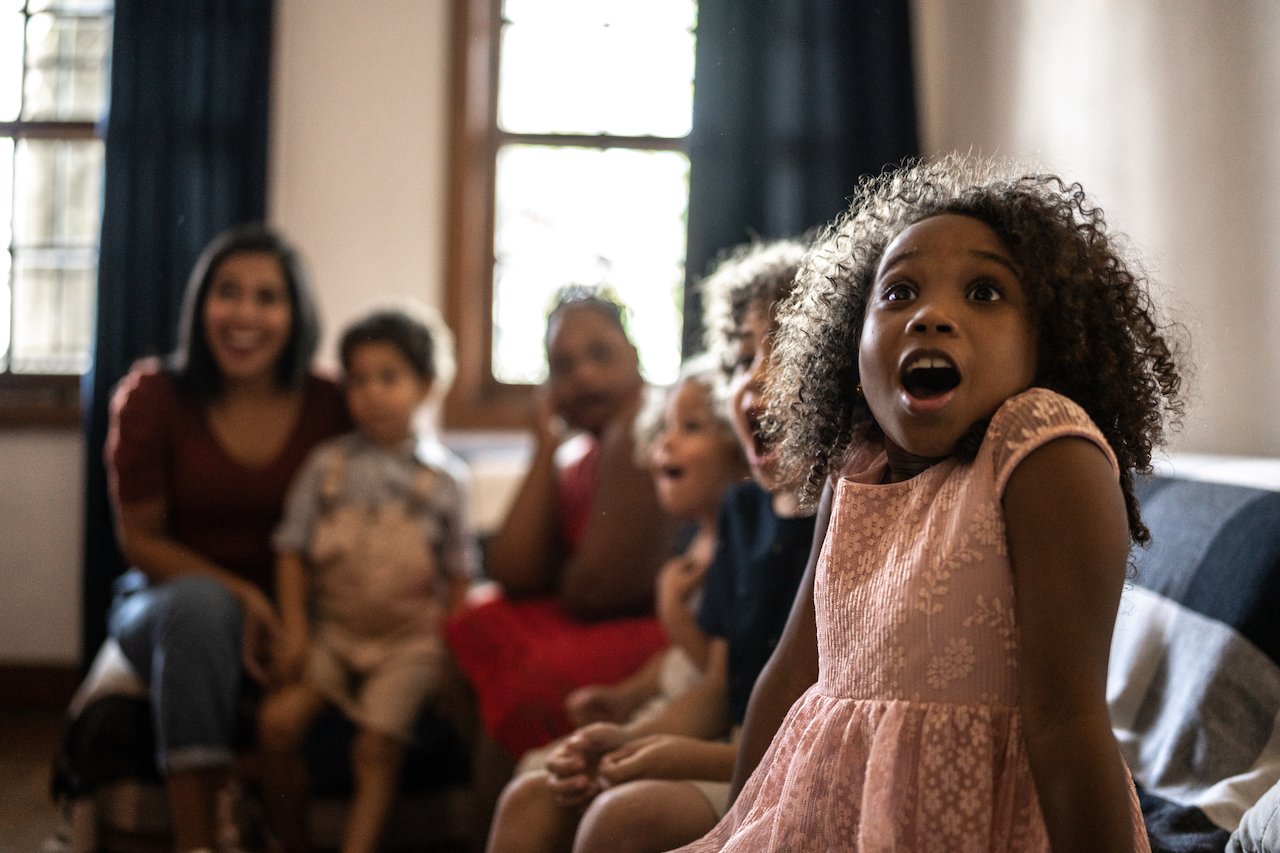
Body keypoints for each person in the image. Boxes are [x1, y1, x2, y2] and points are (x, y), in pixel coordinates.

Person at [673, 154, 1186, 852]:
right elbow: (792, 671)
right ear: (852, 349)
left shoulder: (1041, 446)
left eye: (983, 292)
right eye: (899, 292)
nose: (932, 316)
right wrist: (738, 827)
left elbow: (1068, 722)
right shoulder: (854, 467)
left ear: (1047, 342)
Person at [486, 239, 815, 853]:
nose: (758, 378)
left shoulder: (845, 515)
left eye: (788, 352)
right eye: (743, 358)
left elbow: (809, 733)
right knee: (530, 797)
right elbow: (718, 688)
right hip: (728, 742)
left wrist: (667, 752)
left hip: (790, 766)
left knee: (620, 818)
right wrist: (624, 741)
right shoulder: (746, 511)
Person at [102, 225, 350, 853]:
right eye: (227, 293)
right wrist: (243, 595)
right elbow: (140, 542)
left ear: (295, 315)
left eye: (268, 298)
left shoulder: (333, 404)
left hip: (296, 609)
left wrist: (287, 615)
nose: (245, 314)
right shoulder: (153, 396)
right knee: (202, 609)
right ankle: (198, 839)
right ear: (201, 305)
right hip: (166, 602)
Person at [257, 307, 476, 853]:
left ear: (426, 385)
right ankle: (292, 840)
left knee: (378, 748)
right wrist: (295, 631)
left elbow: (457, 577)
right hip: (332, 635)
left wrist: (451, 657)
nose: (371, 393)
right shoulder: (325, 465)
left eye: (389, 377)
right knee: (276, 726)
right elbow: (290, 551)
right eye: (358, 380)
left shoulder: (446, 480)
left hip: (409, 644)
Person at [445, 287, 679, 801]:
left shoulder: (642, 429)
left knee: (523, 678)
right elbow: (514, 571)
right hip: (600, 620)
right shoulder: (579, 454)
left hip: (665, 630)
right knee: (475, 620)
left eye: (600, 355)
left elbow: (596, 589)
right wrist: (543, 446)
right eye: (564, 365)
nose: (584, 377)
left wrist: (565, 573)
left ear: (635, 358)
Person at [517, 362, 750, 775]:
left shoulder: (741, 548)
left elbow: (726, 681)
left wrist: (674, 614)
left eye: (691, 427)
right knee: (534, 770)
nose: (665, 443)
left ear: (740, 448)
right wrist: (624, 697)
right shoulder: (691, 537)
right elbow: (675, 658)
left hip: (705, 730)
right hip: (672, 709)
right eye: (662, 427)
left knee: (545, 778)